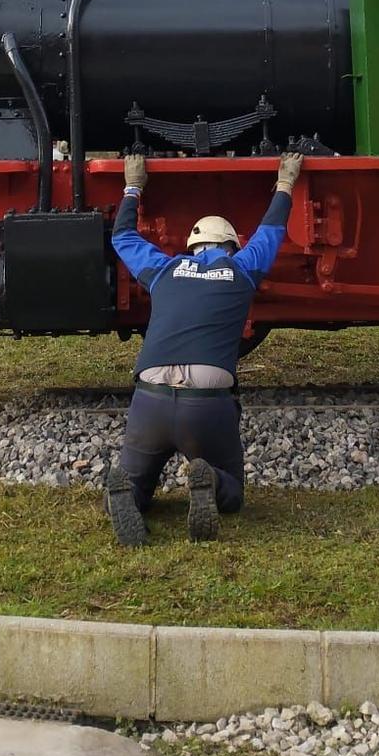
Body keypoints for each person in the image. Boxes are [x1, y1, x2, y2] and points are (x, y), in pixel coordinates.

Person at [104, 148, 303, 545]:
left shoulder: (163, 269)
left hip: (151, 400)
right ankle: (211, 480)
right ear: (230, 246)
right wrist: (286, 181)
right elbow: (272, 230)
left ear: (193, 247)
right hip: (208, 404)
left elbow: (122, 236)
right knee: (233, 492)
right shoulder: (241, 270)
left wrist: (133, 185)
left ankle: (130, 495)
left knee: (136, 484)